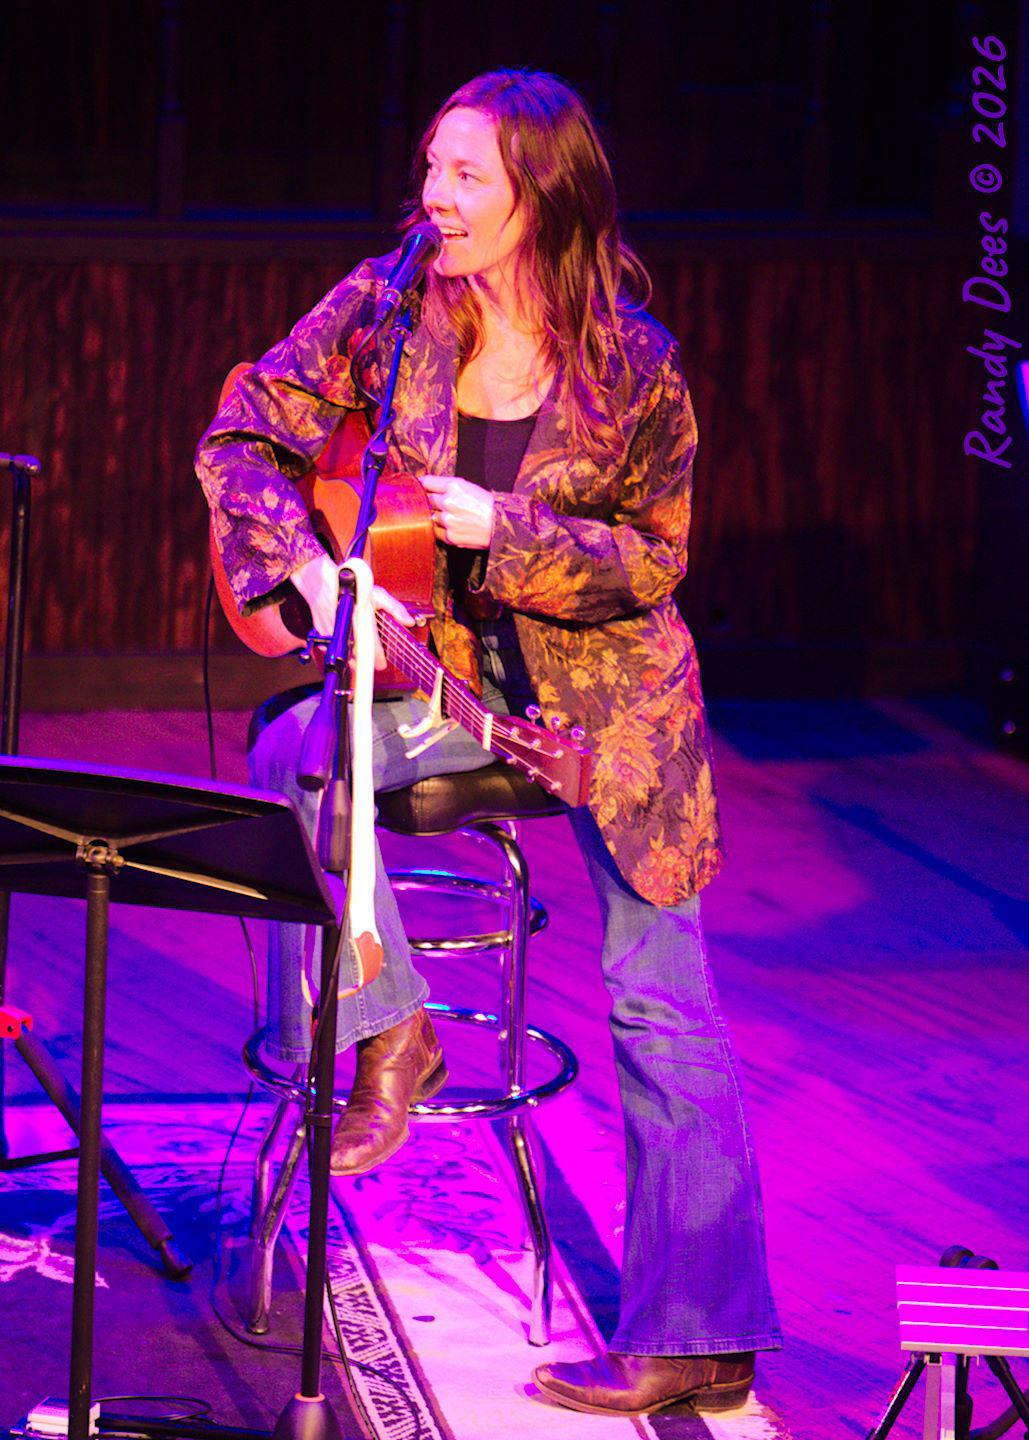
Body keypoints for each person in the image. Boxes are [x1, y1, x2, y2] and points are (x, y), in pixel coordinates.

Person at [196, 68, 780, 1418]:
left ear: (541, 197)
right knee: (293, 756)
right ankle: (393, 1028)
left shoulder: (634, 363)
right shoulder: (390, 301)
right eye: (432, 168)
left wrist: (500, 530)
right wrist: (305, 569)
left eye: (467, 177)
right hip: (447, 690)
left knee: (657, 993)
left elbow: (654, 557)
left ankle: (698, 1332)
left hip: (614, 716)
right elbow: (243, 428)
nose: (435, 198)